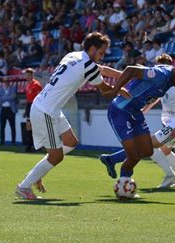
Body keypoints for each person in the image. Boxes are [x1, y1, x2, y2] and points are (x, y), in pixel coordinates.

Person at [15, 32, 120, 200]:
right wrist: (125, 90)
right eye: (101, 53)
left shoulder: (74, 55)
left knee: (71, 142)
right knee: (56, 156)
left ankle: (37, 173)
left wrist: (124, 75)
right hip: (46, 110)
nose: (102, 57)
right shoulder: (88, 65)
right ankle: (24, 186)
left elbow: (103, 70)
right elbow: (106, 89)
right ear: (92, 49)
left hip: (50, 107)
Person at [99, 57, 175, 198]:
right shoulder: (161, 74)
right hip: (120, 111)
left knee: (146, 150)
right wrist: (116, 90)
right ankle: (124, 183)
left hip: (135, 112)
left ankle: (111, 162)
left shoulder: (172, 81)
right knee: (134, 152)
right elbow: (130, 70)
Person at [23, 68, 42, 152]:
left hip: (35, 106)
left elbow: (40, 98)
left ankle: (37, 145)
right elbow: (28, 98)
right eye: (25, 74)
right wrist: (25, 110)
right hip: (29, 106)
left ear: (31, 75)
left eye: (27, 74)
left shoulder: (36, 84)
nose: (26, 76)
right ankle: (29, 145)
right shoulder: (27, 84)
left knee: (36, 126)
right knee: (28, 126)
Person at [0, 78, 17, 145]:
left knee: (12, 126)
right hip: (3, 109)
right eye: (4, 81)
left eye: (7, 81)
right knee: (2, 126)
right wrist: (8, 97)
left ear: (9, 82)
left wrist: (4, 98)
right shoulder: (0, 90)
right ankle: (2, 141)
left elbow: (13, 97)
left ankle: (13, 141)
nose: (6, 82)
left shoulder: (13, 88)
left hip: (10, 109)